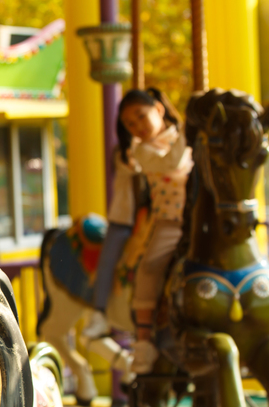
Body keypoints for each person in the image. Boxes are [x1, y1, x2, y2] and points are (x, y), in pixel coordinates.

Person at [81, 88, 192, 374]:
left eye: (141, 117)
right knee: (148, 267)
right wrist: (191, 132)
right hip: (169, 220)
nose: (138, 127)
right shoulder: (141, 150)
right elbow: (172, 162)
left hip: (197, 217)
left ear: (159, 109)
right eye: (131, 124)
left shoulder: (186, 137)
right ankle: (140, 340)